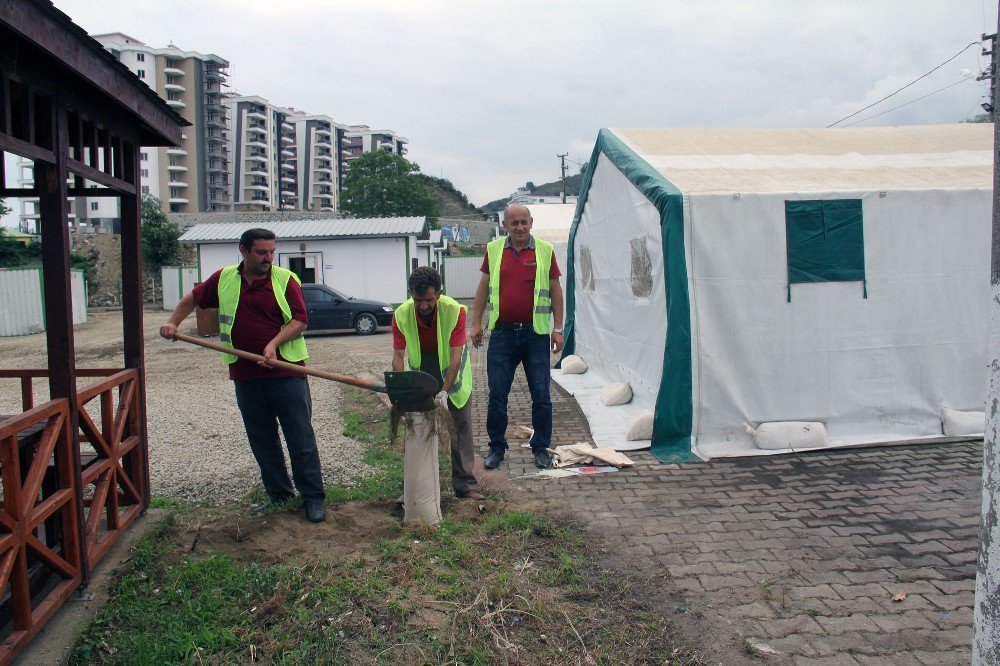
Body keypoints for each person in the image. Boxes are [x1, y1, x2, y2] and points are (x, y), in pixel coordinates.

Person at [159, 228, 327, 523]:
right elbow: (193, 299)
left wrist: (273, 345)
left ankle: (313, 497)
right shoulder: (224, 278)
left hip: (287, 373)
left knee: (300, 437)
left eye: (272, 252)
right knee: (262, 439)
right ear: (244, 251)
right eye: (262, 252)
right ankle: (279, 494)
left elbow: (300, 320)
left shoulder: (284, 280)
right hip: (245, 374)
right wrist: (173, 322)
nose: (269, 258)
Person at [471, 204, 564, 469]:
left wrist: (557, 328)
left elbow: (556, 288)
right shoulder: (494, 250)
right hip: (502, 335)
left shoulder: (545, 250)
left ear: (531, 223)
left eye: (524, 222)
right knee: (497, 395)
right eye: (515, 223)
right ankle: (496, 448)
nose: (520, 228)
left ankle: (541, 448)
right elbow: (483, 287)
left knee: (542, 396)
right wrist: (475, 323)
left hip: (535, 335)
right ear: (505, 226)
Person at [392, 266, 484, 500]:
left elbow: (454, 357)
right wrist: (401, 389)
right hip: (422, 370)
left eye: (429, 300)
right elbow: (398, 356)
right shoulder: (401, 314)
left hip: (452, 373)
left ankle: (466, 485)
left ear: (439, 294)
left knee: (459, 426)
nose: (423, 306)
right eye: (418, 300)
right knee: (417, 428)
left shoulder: (454, 311)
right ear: (411, 294)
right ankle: (412, 487)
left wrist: (444, 392)